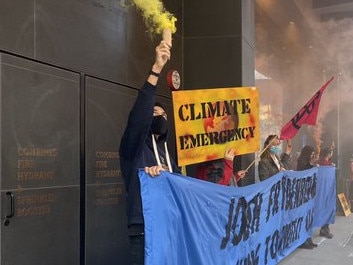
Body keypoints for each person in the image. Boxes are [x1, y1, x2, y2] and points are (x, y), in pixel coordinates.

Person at [119, 40, 180, 265]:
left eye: (163, 115)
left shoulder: (168, 156)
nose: (159, 116)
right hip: (144, 229)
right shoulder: (134, 149)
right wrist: (156, 69)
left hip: (167, 226)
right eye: (154, 112)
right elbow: (139, 116)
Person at [296, 145, 318, 249]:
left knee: (309, 217)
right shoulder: (301, 160)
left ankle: (309, 238)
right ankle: (303, 240)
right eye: (311, 153)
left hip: (309, 191)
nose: (312, 155)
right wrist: (312, 164)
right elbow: (303, 172)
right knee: (304, 217)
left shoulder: (308, 160)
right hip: (303, 191)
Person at [316, 147, 334, 239]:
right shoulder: (323, 163)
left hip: (327, 189)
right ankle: (324, 229)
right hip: (324, 190)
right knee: (325, 209)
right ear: (328, 154)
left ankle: (325, 229)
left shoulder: (327, 163)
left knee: (327, 208)